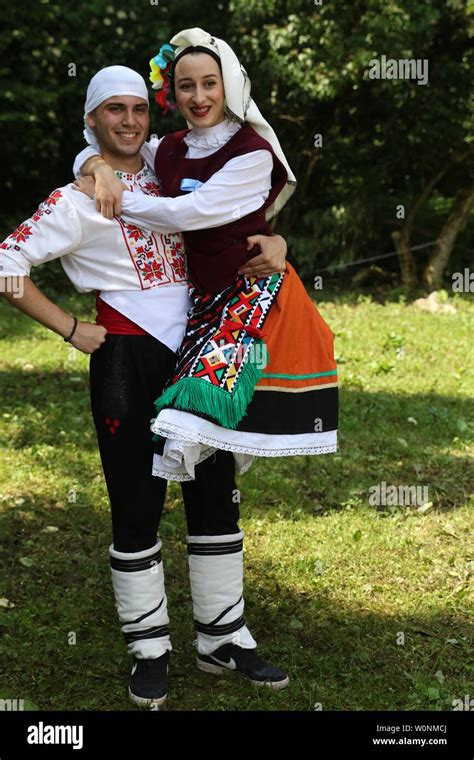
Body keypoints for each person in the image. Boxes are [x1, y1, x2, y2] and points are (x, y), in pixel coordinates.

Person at [1, 65, 288, 709]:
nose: (128, 121)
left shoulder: (166, 163)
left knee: (217, 493)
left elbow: (235, 185)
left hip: (203, 345)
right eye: (113, 111)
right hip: (126, 359)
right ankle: (149, 648)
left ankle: (222, 636)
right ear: (92, 118)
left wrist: (277, 237)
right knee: (136, 502)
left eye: (138, 108)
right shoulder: (73, 200)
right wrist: (71, 327)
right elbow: (4, 264)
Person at [75, 29, 338, 489]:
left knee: (199, 422)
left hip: (252, 294)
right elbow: (108, 149)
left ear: (229, 85)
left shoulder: (253, 153)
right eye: (186, 85)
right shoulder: (171, 148)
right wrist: (97, 168)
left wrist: (113, 194)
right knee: (195, 440)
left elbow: (188, 214)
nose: (199, 96)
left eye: (209, 83)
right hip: (198, 304)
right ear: (171, 93)